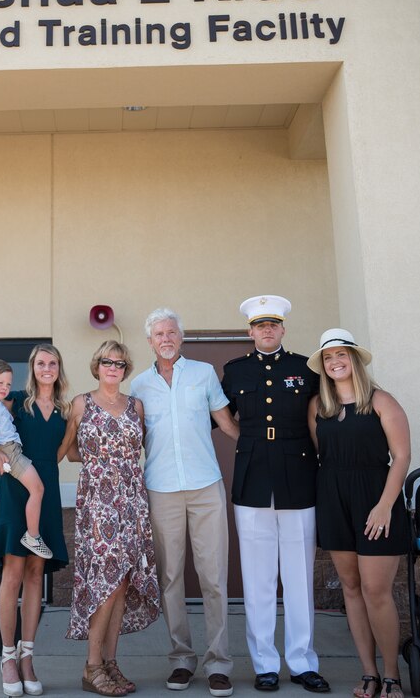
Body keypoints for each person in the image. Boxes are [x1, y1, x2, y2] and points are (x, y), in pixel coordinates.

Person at [220, 295, 329, 694]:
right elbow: (216, 416)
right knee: (258, 579)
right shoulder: (235, 372)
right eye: (259, 326)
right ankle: (265, 663)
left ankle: (302, 662)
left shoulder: (305, 369)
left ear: (283, 329)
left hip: (298, 479)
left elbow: (325, 416)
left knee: (299, 578)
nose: (267, 331)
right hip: (251, 482)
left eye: (273, 325)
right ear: (250, 332)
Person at [129, 308, 237, 697]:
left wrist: (266, 449)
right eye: (159, 333)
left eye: (171, 332)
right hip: (161, 488)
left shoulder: (204, 374)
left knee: (213, 578)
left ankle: (219, 663)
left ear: (181, 337)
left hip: (206, 486)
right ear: (150, 341)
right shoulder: (139, 386)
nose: (166, 338)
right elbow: (132, 440)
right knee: (171, 578)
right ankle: (181, 659)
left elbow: (226, 423)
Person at [307, 328, 411, 698]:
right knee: (351, 588)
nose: (335, 362)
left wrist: (385, 506)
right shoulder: (319, 407)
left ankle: (392, 674)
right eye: (328, 357)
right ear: (323, 365)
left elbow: (401, 457)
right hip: (333, 498)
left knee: (376, 590)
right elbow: (323, 455)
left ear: (354, 360)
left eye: (342, 355)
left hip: (375, 498)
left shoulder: (382, 401)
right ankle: (368, 673)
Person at [67, 340, 160, 697]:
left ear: (125, 370)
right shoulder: (81, 403)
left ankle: (110, 661)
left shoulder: (135, 406)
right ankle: (92, 666)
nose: (113, 367)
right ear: (97, 366)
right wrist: (98, 464)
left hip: (132, 502)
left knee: (121, 581)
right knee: (105, 582)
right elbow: (67, 448)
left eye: (120, 363)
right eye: (107, 361)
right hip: (97, 504)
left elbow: (147, 446)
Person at [0, 344, 74, 697]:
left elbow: (67, 452)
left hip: (45, 494)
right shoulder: (15, 399)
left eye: (53, 362)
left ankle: (27, 658)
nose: (47, 368)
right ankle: (7, 658)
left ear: (59, 367)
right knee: (13, 573)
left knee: (36, 574)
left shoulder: (67, 411)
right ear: (32, 368)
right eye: (41, 363)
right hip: (14, 492)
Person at [0, 358, 52, 559]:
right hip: (8, 452)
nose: (5, 388)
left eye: (8, 384)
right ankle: (32, 536)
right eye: (0, 383)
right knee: (37, 489)